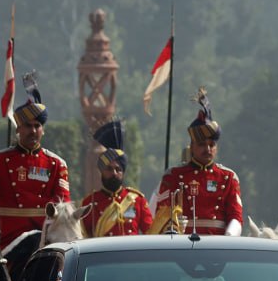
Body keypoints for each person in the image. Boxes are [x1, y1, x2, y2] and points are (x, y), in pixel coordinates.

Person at [0, 74, 71, 247]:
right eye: (28, 126)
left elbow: (63, 208)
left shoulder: (57, 164)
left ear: (43, 130)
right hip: (7, 235)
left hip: (45, 236)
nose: (33, 130)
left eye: (37, 126)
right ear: (18, 129)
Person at [150, 88, 243, 235]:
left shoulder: (228, 177)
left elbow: (236, 217)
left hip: (218, 246)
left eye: (211, 145)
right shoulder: (173, 176)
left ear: (216, 148)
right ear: (192, 147)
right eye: (201, 144)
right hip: (183, 246)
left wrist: (230, 236)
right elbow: (163, 214)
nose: (207, 149)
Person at [80, 120, 152, 237]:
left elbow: (150, 234)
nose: (114, 173)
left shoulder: (137, 200)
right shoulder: (89, 203)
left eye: (118, 169)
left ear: (123, 172)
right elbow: (82, 237)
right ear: (101, 171)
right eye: (109, 169)